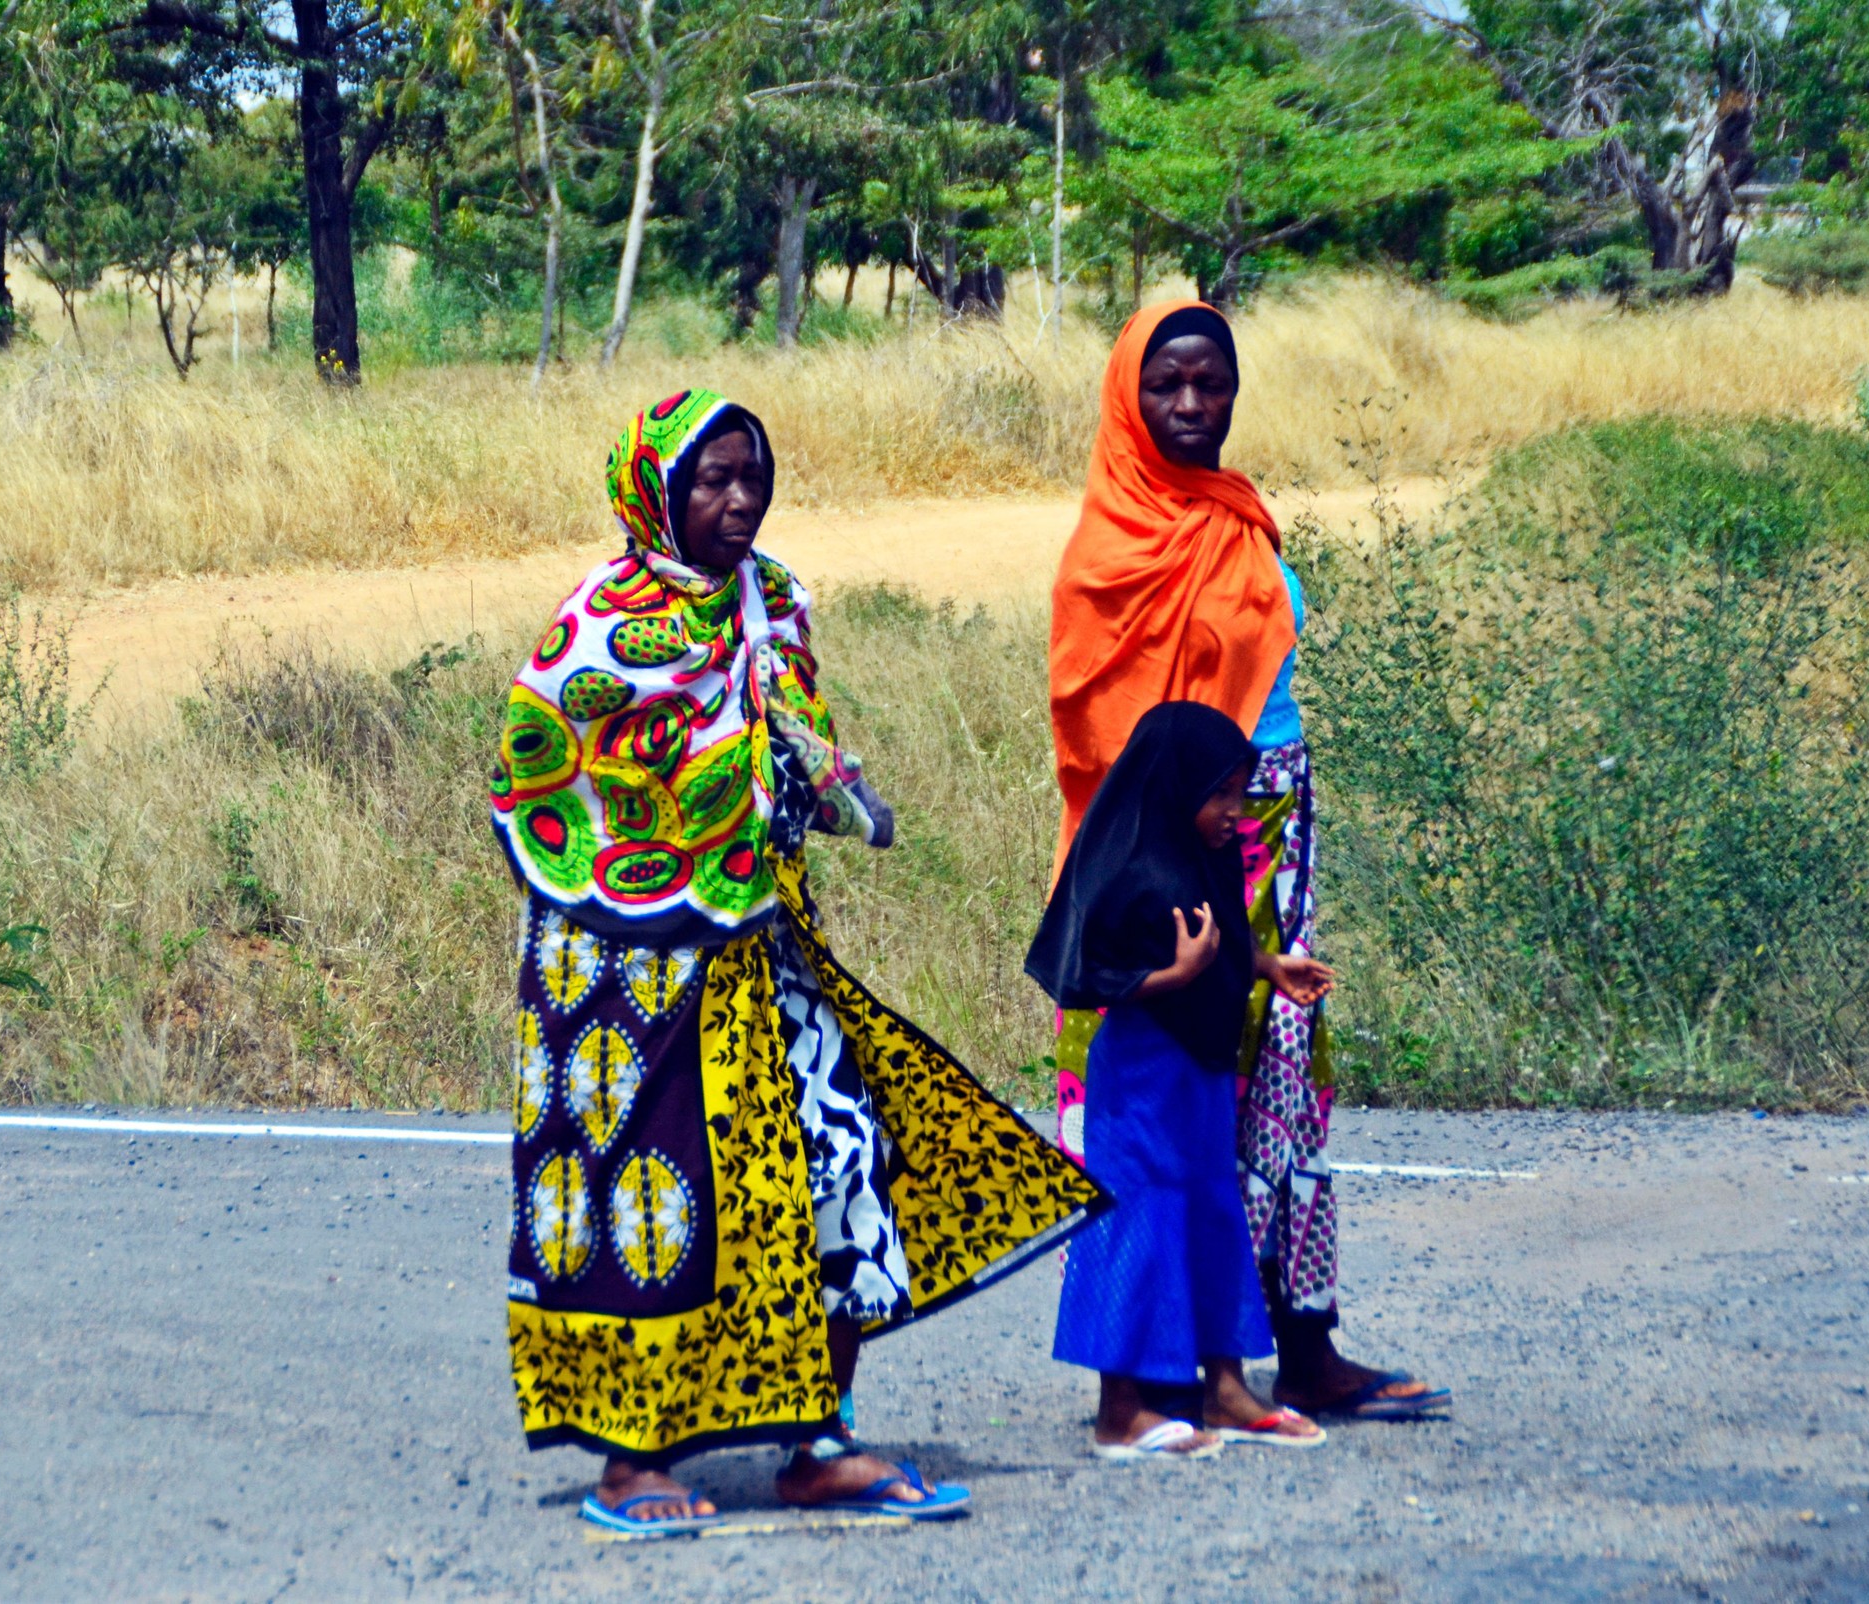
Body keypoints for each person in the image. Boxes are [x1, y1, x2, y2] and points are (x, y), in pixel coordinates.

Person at [491, 389, 1105, 1536]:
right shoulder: (599, 626)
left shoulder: (772, 597)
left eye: (750, 477)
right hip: (636, 969)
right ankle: (634, 1459)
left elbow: (792, 723)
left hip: (766, 946)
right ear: (656, 493)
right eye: (710, 480)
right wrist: (697, 820)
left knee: (834, 1165)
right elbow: (542, 781)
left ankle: (818, 1436)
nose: (737, 501)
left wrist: (836, 789)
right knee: (663, 1195)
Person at [1046, 301, 1451, 1423]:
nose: (1190, 406)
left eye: (1210, 383)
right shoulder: (1105, 551)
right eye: (1167, 384)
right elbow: (1103, 747)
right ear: (1132, 393)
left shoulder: (1241, 518)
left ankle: (1300, 1344)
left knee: (1282, 1088)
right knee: (1165, 1096)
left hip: (1278, 826)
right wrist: (1183, 874)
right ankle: (1152, 1369)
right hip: (1177, 850)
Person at [1028, 702, 1335, 1457]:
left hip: (1198, 1068)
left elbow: (1223, 935)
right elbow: (1086, 974)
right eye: (1219, 794)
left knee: (1210, 1209)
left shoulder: (1205, 853)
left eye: (1239, 792)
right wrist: (1176, 974)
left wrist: (1265, 964)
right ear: (1175, 785)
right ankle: (1120, 1411)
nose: (1233, 812)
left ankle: (1225, 1389)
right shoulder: (1129, 864)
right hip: (1142, 1075)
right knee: (1137, 1219)